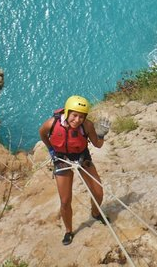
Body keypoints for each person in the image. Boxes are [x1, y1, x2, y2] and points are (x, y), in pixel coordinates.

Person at [38, 95, 111, 245]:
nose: (77, 120)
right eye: (74, 115)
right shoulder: (52, 123)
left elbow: (97, 145)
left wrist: (101, 135)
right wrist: (51, 150)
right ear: (67, 113)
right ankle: (68, 231)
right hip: (62, 159)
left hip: (81, 157)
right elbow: (42, 133)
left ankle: (95, 213)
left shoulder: (87, 126)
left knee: (98, 192)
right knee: (65, 201)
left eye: (81, 117)